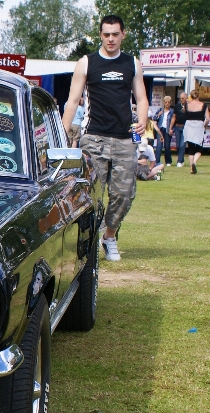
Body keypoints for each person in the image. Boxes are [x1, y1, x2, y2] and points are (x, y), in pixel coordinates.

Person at [61, 14, 148, 262]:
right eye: (106, 34)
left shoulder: (132, 63)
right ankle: (86, 243)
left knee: (124, 193)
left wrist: (142, 119)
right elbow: (72, 100)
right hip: (94, 138)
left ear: (123, 34)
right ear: (100, 35)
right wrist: (64, 132)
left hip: (124, 139)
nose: (111, 39)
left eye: (115, 34)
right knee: (90, 194)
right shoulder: (86, 63)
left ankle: (109, 236)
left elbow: (141, 98)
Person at [182, 89, 209, 174]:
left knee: (191, 148)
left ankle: (191, 168)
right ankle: (194, 162)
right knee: (199, 147)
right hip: (199, 125)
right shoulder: (203, 105)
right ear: (198, 96)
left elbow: (184, 113)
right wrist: (205, 125)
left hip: (189, 125)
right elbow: (208, 118)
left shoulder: (187, 105)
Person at [155, 96, 174, 166]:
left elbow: (173, 121)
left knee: (167, 146)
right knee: (159, 146)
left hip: (167, 129)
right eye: (166, 102)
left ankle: (168, 161)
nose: (167, 104)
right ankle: (157, 161)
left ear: (171, 103)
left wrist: (172, 129)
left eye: (169, 102)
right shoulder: (160, 110)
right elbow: (154, 118)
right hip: (160, 129)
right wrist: (158, 115)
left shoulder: (172, 111)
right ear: (163, 103)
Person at [172, 92, 188, 167]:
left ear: (186, 98)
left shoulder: (189, 106)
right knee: (178, 145)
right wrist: (170, 127)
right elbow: (174, 117)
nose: (181, 100)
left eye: (183, 98)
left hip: (185, 127)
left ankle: (179, 161)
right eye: (180, 98)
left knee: (182, 145)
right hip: (177, 127)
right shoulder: (177, 106)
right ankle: (181, 159)